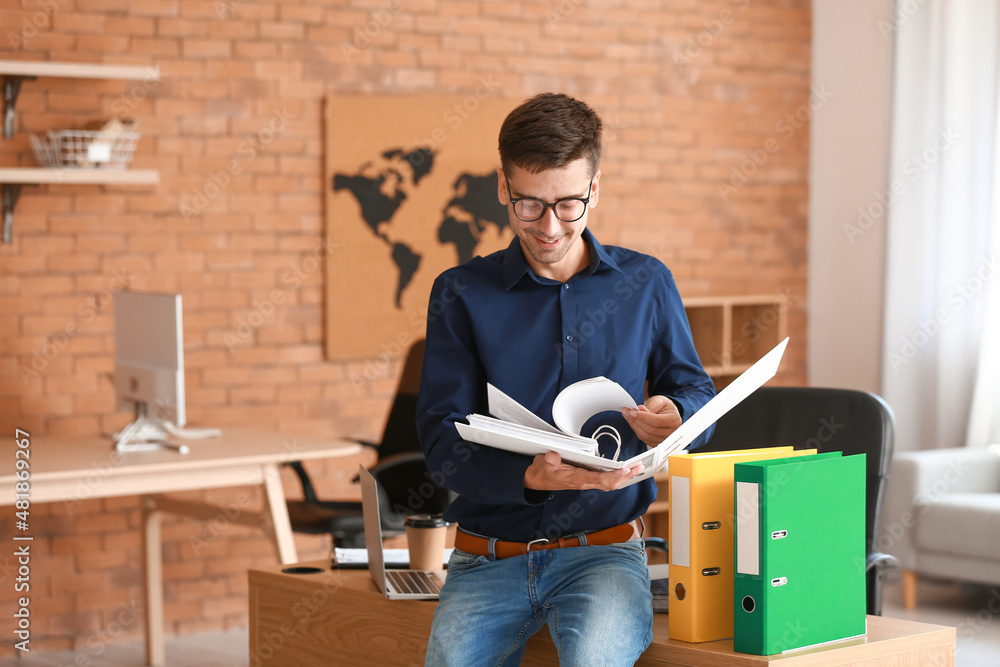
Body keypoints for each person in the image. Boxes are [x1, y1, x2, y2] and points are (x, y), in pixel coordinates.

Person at [415, 92, 716, 666]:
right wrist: (529, 476)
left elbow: (696, 393)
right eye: (528, 205)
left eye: (569, 204)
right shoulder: (460, 293)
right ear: (503, 187)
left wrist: (676, 416)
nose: (549, 226)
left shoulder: (647, 282)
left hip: (603, 556)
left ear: (595, 189)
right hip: (487, 557)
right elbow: (439, 444)